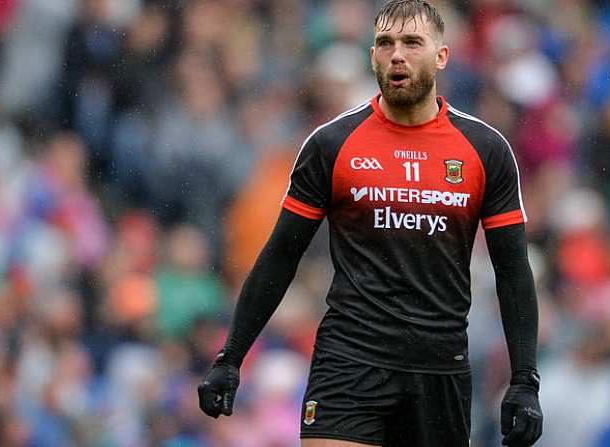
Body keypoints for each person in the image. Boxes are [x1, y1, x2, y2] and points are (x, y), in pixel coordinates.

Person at [197, 1, 543, 445]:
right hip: (349, 359)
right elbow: (282, 254)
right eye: (385, 43)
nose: (397, 54)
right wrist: (231, 356)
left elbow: (513, 270)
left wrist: (524, 380)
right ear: (373, 55)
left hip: (439, 368)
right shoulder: (332, 143)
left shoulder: (485, 149)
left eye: (412, 43)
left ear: (441, 57)